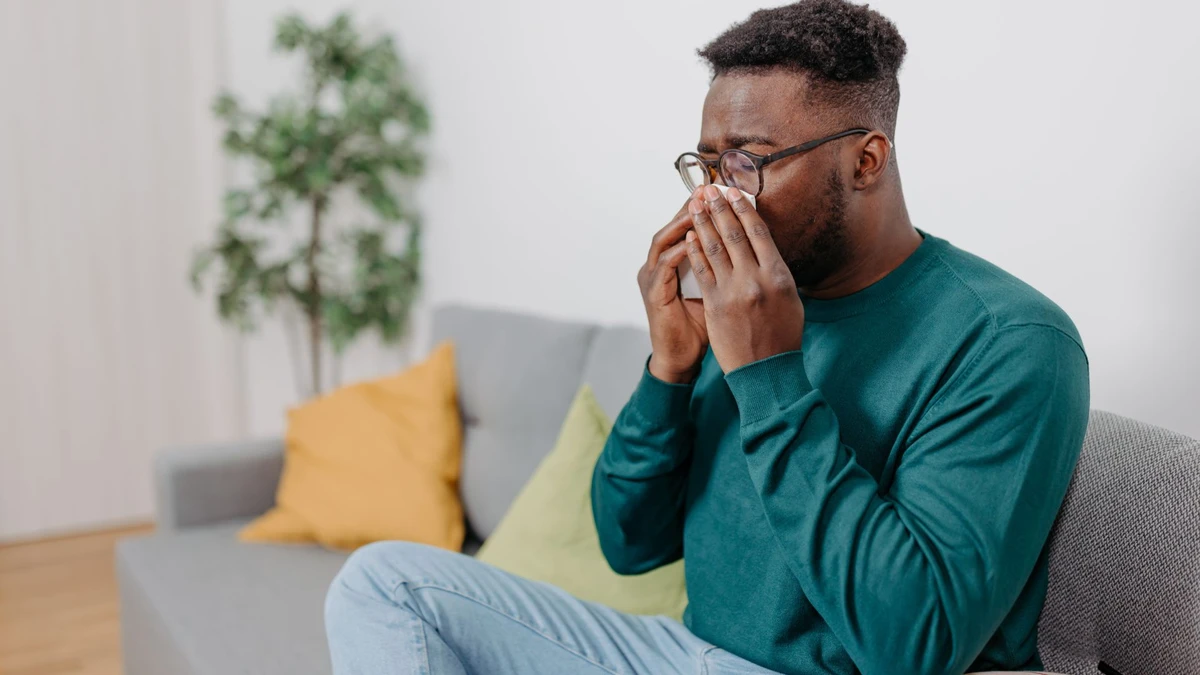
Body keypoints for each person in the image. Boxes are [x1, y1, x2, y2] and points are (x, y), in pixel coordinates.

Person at [323, 1, 1090, 673]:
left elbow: (913, 644)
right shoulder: (740, 300)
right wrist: (670, 369)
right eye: (708, 165)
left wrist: (771, 374)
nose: (718, 199)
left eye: (748, 162)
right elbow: (630, 543)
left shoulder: (1009, 339)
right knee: (385, 583)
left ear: (865, 161)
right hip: (682, 651)